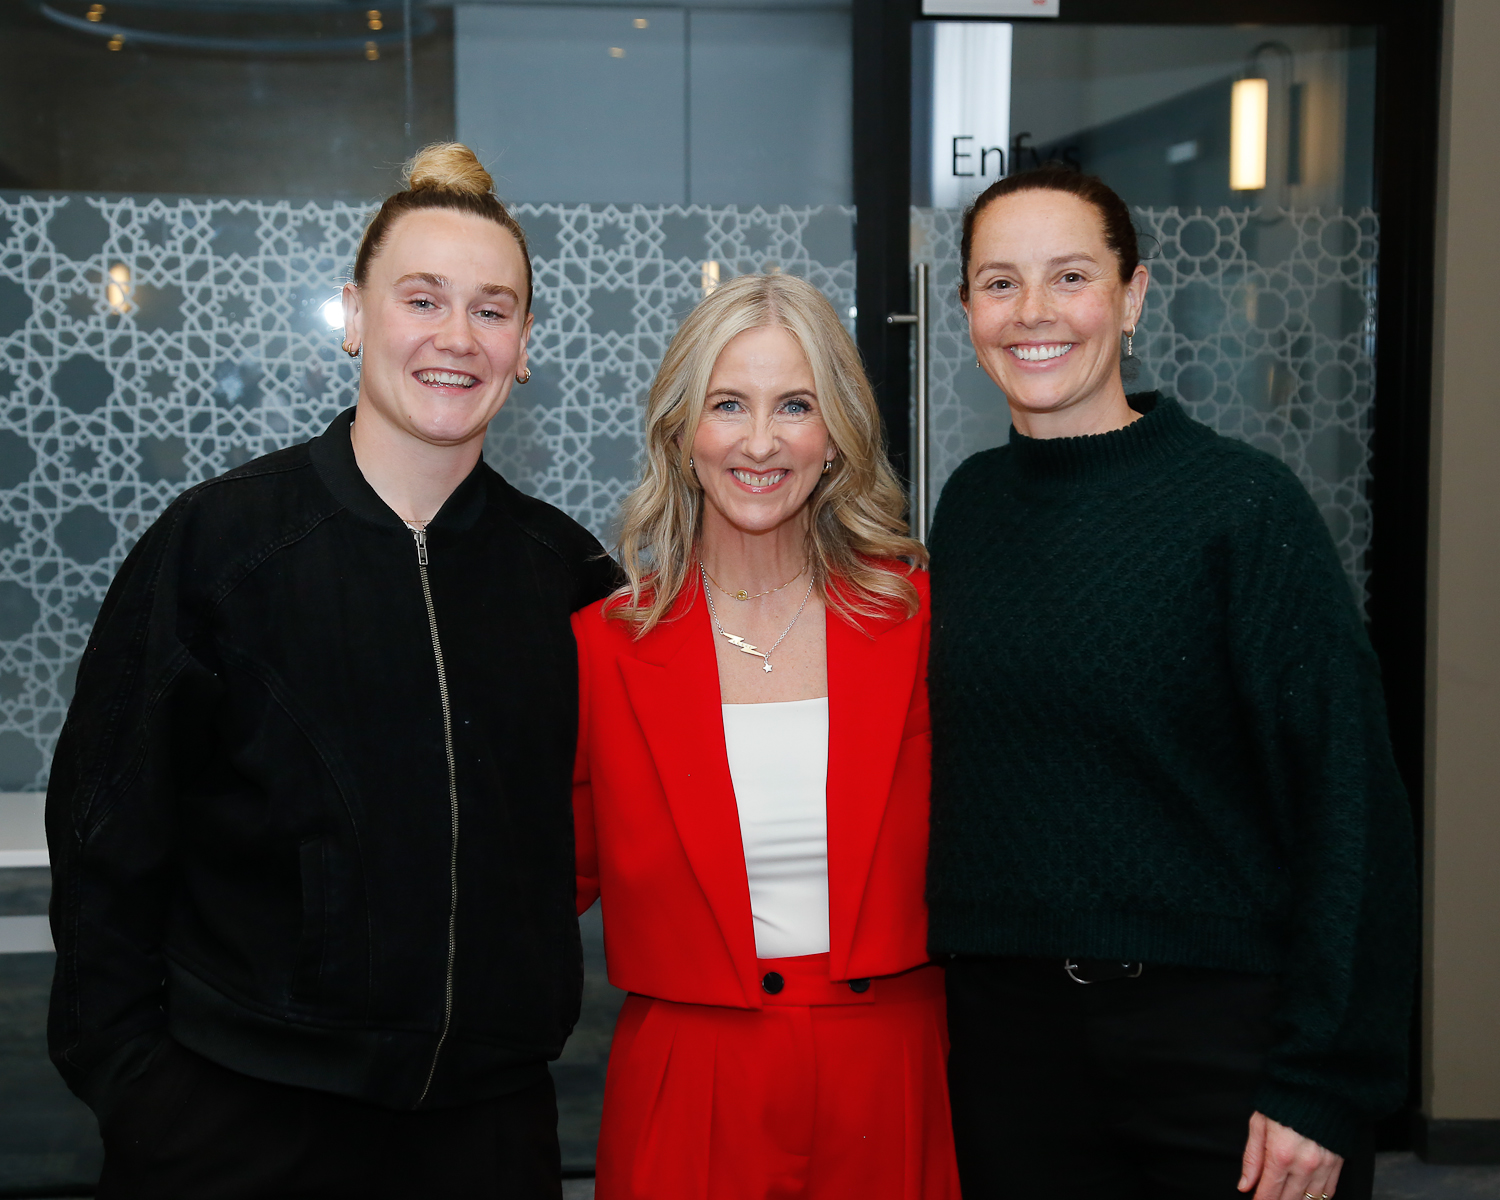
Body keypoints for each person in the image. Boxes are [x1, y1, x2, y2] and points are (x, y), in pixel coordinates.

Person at [45, 143, 616, 1198]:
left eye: (492, 309)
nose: (457, 337)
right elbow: (104, 838)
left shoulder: (569, 579)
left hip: (486, 1135)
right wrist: (139, 1091)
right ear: (355, 316)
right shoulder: (219, 547)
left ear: (526, 344)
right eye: (422, 299)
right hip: (238, 1124)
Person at [926, 166, 1418, 1200]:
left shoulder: (1243, 509)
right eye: (1001, 283)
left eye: (1070, 276)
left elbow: (1350, 807)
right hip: (1012, 1049)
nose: (1033, 312)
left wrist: (1324, 1079)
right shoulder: (968, 510)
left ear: (1134, 296)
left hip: (1218, 1044)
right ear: (966, 310)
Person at [571, 273, 959, 1200]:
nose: (759, 441)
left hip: (891, 1072)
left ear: (837, 436)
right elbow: (535, 884)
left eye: (795, 405)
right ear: (680, 433)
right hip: (688, 1078)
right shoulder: (601, 648)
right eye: (727, 404)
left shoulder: (921, 620)